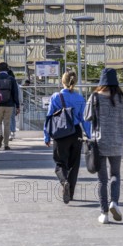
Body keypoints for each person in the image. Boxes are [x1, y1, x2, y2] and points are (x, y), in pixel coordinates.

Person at [84, 67, 123, 224]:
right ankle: (114, 202)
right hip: (117, 142)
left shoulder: (95, 97)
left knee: (102, 179)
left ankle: (104, 214)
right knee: (115, 175)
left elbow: (86, 116)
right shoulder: (122, 98)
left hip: (99, 143)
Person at [43, 70, 91, 204]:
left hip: (60, 132)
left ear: (62, 81)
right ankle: (71, 192)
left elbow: (49, 117)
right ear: (74, 82)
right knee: (74, 165)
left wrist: (46, 136)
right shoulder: (80, 98)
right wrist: (90, 135)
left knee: (60, 162)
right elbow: (84, 120)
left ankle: (64, 182)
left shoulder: (55, 97)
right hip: (76, 132)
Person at [0, 62, 20, 150]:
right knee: (7, 124)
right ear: (7, 70)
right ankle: (6, 145)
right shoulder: (11, 79)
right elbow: (15, 93)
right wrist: (17, 105)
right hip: (9, 104)